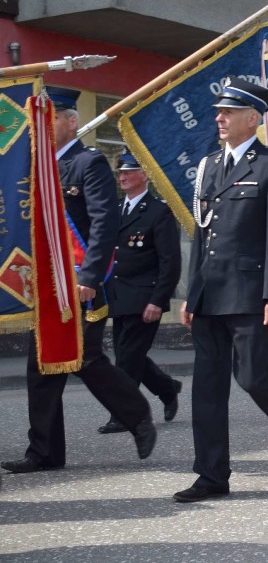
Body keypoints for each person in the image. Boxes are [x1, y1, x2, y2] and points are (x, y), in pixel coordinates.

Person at [176, 78, 268, 502]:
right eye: (218, 111)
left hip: (250, 293)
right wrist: (193, 291)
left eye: (228, 111)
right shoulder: (208, 166)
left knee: (254, 377)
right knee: (206, 388)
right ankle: (211, 476)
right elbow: (202, 234)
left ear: (253, 118)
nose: (218, 117)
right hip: (210, 294)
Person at [2, 87, 156, 475]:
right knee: (42, 365)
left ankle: (137, 414)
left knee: (84, 357)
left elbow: (105, 224)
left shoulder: (88, 163)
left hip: (80, 280)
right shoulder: (33, 165)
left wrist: (89, 275)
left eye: (51, 117)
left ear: (71, 121)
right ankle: (44, 452)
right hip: (44, 283)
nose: (44, 125)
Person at [97, 149, 182, 434]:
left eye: (129, 171)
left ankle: (124, 415)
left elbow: (170, 261)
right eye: (120, 171)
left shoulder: (159, 212)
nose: (122, 176)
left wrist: (159, 300)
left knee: (127, 357)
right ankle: (167, 388)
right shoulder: (116, 209)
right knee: (127, 353)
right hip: (119, 296)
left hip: (145, 298)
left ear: (144, 175)